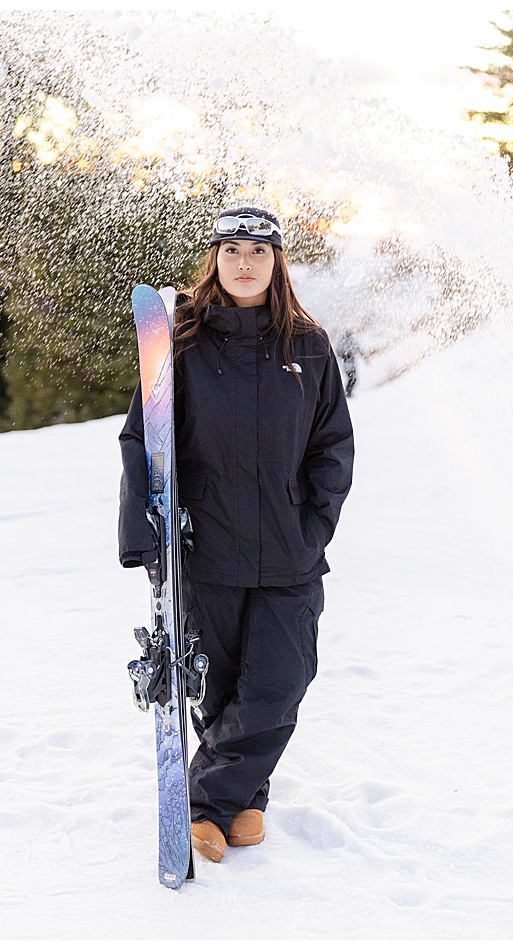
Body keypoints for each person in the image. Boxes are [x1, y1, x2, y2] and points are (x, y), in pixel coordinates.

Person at [118, 206, 354, 865]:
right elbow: (143, 441)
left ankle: (209, 804)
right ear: (215, 259)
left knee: (280, 679)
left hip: (289, 550)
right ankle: (246, 802)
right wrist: (142, 533)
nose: (243, 263)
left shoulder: (308, 345)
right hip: (206, 548)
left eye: (257, 251)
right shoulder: (180, 343)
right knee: (217, 686)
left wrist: (315, 524)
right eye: (231, 251)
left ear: (277, 263)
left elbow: (333, 446)